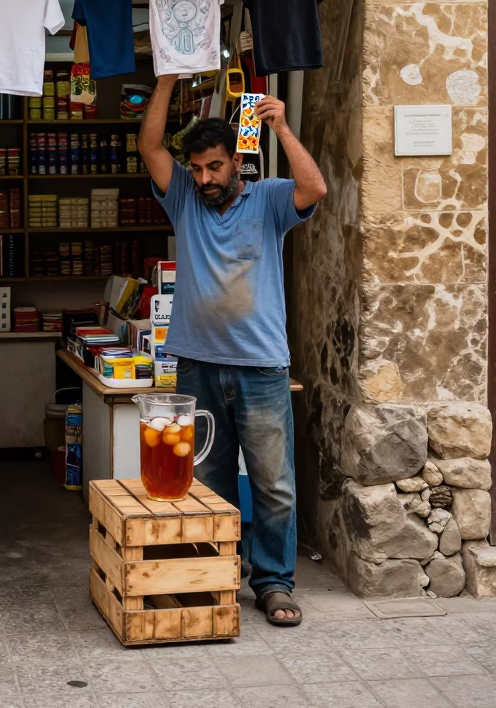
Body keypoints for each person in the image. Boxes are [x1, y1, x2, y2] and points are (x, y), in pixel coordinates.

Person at [138, 75, 327, 626]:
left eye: (214, 167)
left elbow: (315, 188)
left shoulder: (269, 199)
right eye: (196, 169)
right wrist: (168, 79)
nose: (204, 178)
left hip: (262, 367)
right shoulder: (184, 201)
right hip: (196, 365)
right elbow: (150, 146)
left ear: (235, 163)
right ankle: (218, 574)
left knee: (274, 484)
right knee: (206, 482)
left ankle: (273, 583)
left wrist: (283, 129)